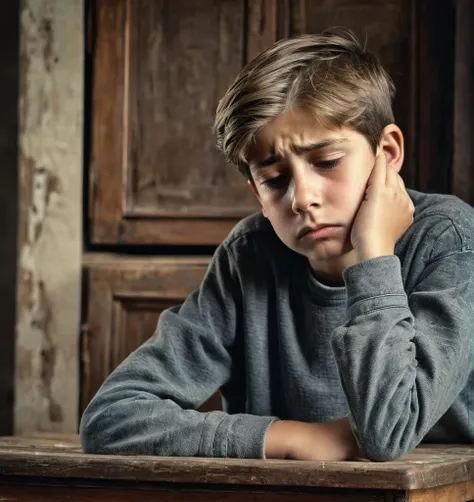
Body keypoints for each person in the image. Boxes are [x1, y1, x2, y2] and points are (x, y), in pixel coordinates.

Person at [80, 29, 474, 462]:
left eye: (326, 162)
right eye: (274, 179)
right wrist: (294, 440)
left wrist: (375, 255)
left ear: (388, 152)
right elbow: (111, 418)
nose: (302, 198)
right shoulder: (248, 256)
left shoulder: (449, 241)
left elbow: (387, 433)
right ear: (256, 192)